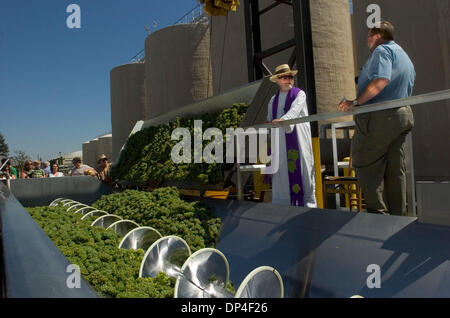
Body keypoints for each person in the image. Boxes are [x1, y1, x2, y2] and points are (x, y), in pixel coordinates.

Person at [338, 21, 415, 215]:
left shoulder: (381, 52)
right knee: (394, 168)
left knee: (364, 162)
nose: (367, 39)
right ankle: (398, 215)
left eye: (369, 34)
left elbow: (381, 79)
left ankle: (378, 215)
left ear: (378, 35)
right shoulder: (403, 54)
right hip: (402, 114)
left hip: (381, 117)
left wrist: (356, 102)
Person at [266, 64, 317, 208]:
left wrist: (282, 120)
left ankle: (307, 207)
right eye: (284, 77)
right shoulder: (272, 100)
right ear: (277, 80)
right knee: (280, 173)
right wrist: (271, 122)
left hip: (298, 141)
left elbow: (294, 112)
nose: (288, 79)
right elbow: (270, 118)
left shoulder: (299, 94)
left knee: (303, 170)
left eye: (290, 77)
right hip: (279, 143)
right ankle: (282, 206)